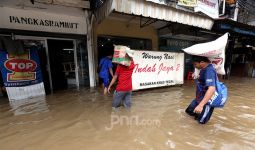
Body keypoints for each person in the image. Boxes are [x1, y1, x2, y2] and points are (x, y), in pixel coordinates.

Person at [185, 56, 217, 124]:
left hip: (206, 101)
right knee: (189, 112)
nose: (195, 66)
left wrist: (200, 105)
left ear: (202, 62)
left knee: (201, 123)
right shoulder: (204, 68)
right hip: (199, 97)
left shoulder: (209, 71)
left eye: (195, 64)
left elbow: (212, 89)